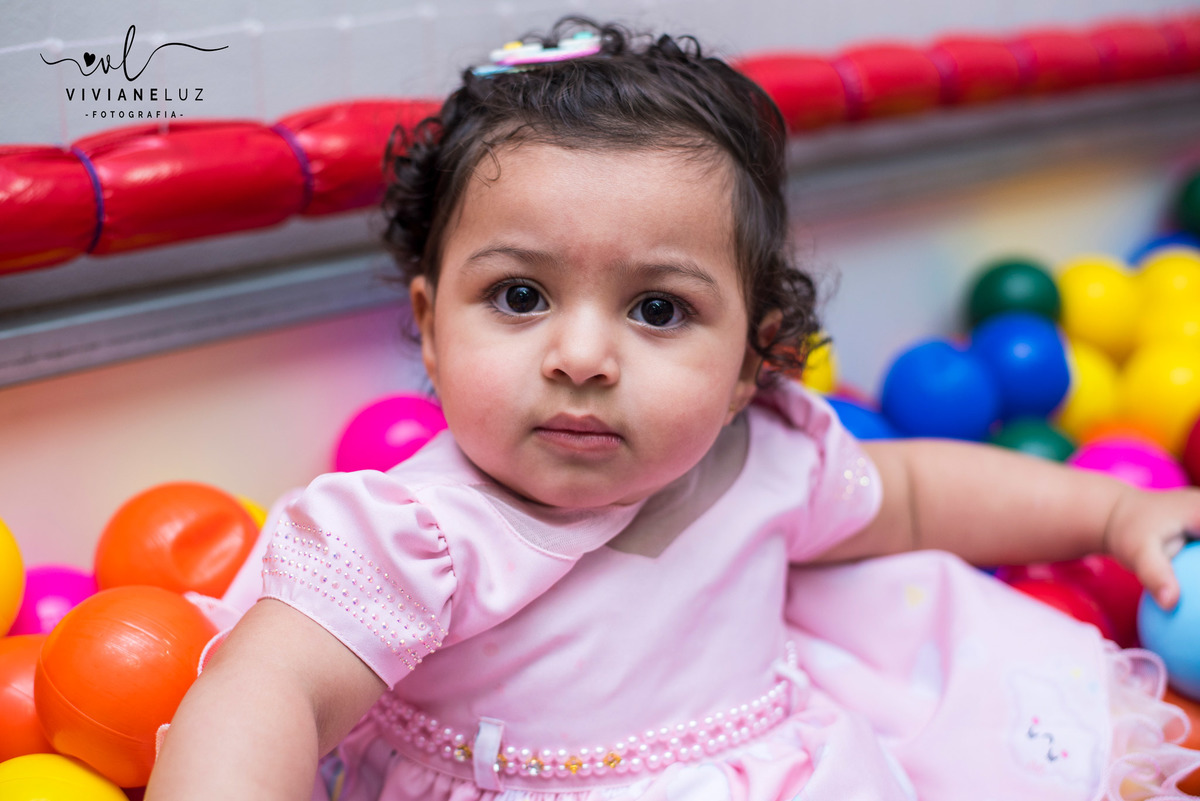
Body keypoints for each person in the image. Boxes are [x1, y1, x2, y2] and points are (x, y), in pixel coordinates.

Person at [147, 17, 1200, 801]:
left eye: (658, 309)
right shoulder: (416, 534)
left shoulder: (766, 456)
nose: (583, 356)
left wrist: (1111, 516)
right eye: (520, 296)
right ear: (429, 326)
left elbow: (920, 494)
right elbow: (267, 686)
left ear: (751, 361)